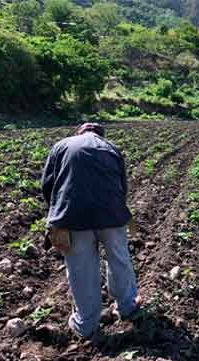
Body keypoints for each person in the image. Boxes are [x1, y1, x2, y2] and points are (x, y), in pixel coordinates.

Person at [41, 122, 140, 339]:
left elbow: (48, 184)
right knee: (119, 258)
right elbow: (123, 186)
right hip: (112, 214)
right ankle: (127, 306)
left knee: (81, 268)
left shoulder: (61, 146)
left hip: (73, 216)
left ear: (80, 132)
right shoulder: (111, 148)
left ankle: (86, 323)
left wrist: (57, 212)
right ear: (100, 135)